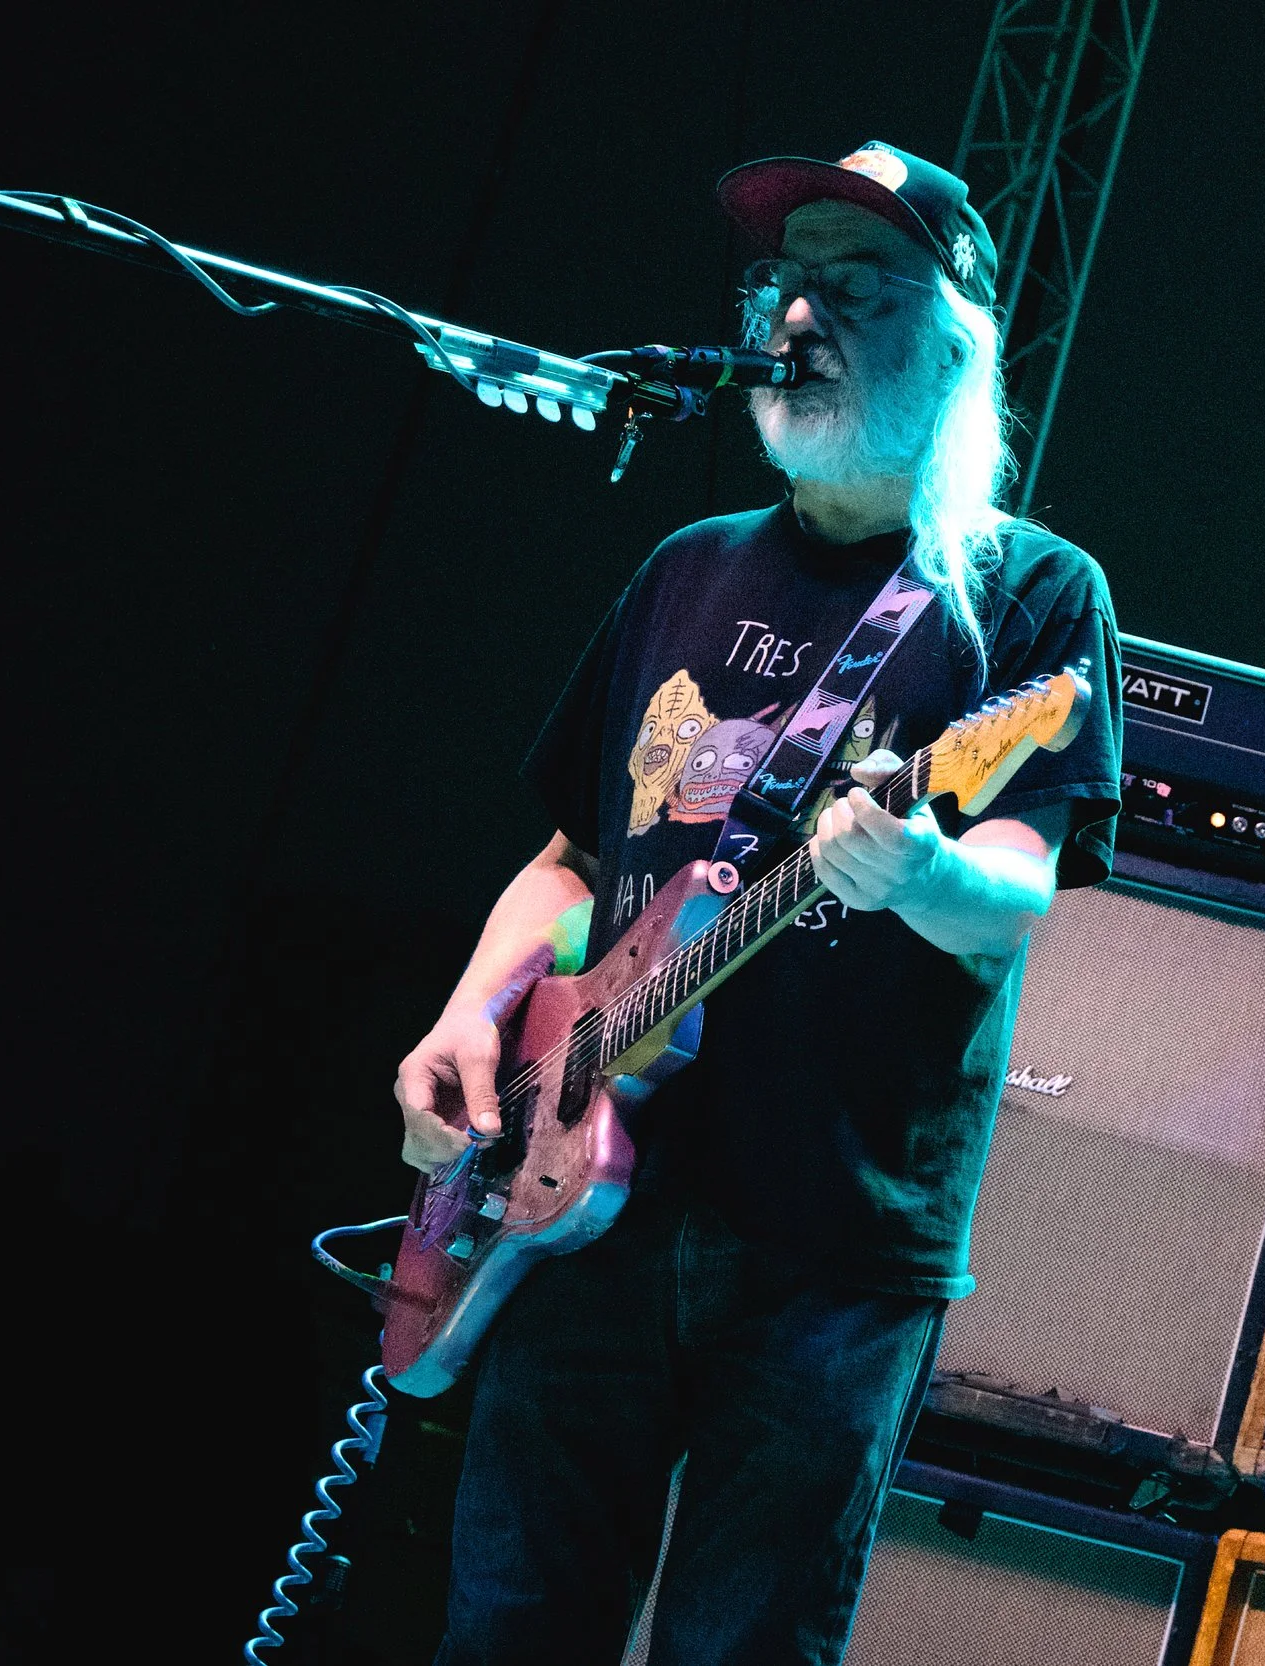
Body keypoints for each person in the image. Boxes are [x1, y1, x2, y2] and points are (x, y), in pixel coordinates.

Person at [390, 140, 1123, 1666]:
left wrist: (919, 868)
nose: (799, 318)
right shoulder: (685, 566)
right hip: (578, 1198)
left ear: (960, 339)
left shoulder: (1031, 597)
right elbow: (574, 860)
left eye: (856, 288)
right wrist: (470, 1016)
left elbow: (1017, 891)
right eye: (784, 285)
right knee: (508, 1631)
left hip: (830, 1244)